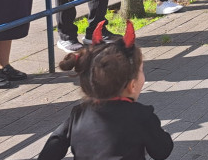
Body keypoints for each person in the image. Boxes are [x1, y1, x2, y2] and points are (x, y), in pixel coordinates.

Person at [38, 21, 173, 160]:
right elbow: (162, 152)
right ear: (132, 85)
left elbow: (50, 149)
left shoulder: (78, 114)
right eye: (141, 71)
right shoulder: (142, 115)